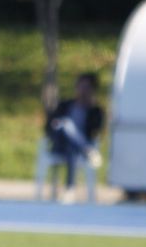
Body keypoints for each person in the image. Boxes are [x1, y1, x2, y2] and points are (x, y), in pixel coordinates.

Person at [39, 72, 106, 203]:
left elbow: (96, 131)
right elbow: (49, 126)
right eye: (80, 87)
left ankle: (69, 189)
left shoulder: (95, 111)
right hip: (60, 144)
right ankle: (88, 151)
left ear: (92, 90)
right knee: (65, 124)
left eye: (86, 87)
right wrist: (57, 125)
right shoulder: (65, 105)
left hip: (74, 149)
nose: (82, 90)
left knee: (72, 150)